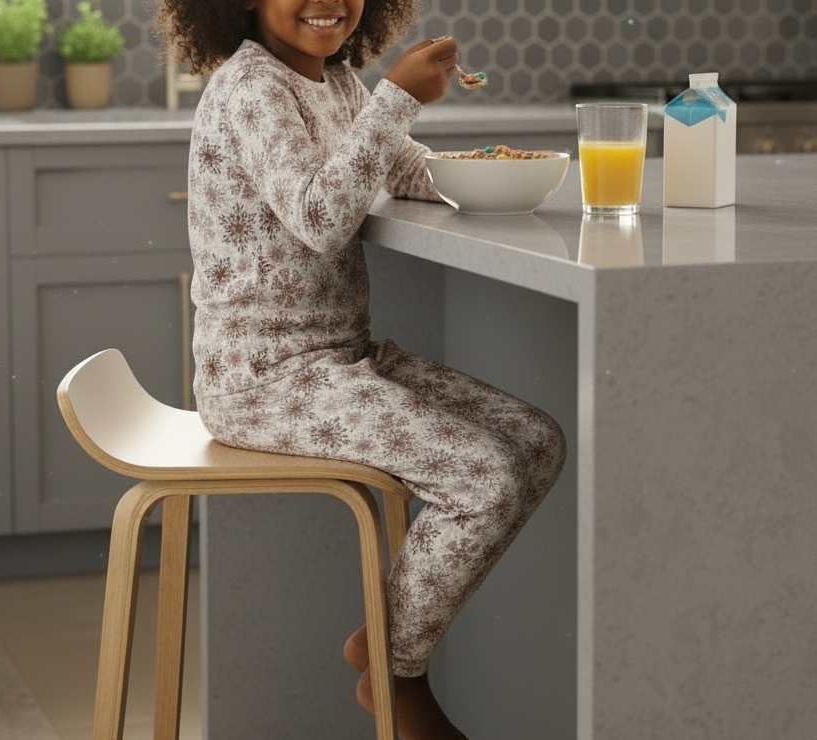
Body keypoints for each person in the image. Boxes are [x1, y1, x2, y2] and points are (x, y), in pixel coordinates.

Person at [155, 0, 567, 737]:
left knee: (533, 440)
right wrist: (399, 96)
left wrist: (476, 175)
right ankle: (395, 675)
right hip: (263, 380)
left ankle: (384, 644)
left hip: (337, 359)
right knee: (482, 476)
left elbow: (396, 170)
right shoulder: (251, 88)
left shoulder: (335, 80)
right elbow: (319, 218)